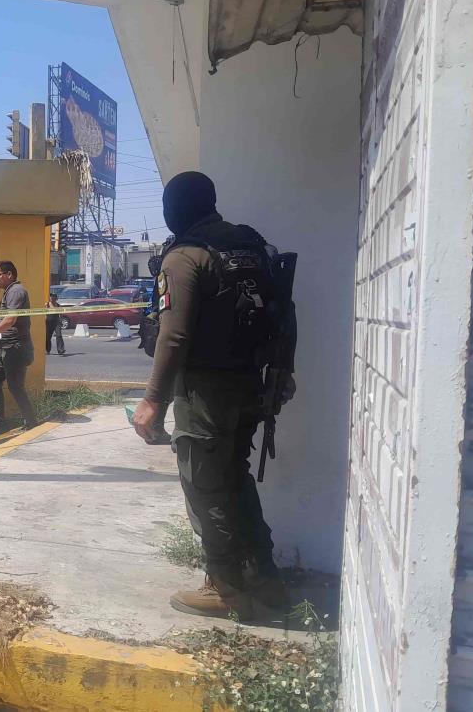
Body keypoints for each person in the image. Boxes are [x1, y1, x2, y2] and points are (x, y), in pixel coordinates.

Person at [131, 171, 294, 620]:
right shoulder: (252, 247)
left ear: (173, 211)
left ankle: (223, 585)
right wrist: (285, 372)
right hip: (251, 384)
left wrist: (152, 401)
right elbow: (286, 312)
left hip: (206, 391)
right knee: (235, 478)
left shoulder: (186, 256)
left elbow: (174, 336)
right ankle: (263, 576)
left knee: (205, 487)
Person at [0, 260, 38, 437]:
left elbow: (11, 320)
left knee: (15, 387)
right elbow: (8, 319)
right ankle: (0, 425)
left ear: (9, 274)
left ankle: (31, 422)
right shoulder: (8, 292)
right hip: (4, 347)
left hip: (16, 348)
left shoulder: (16, 291)